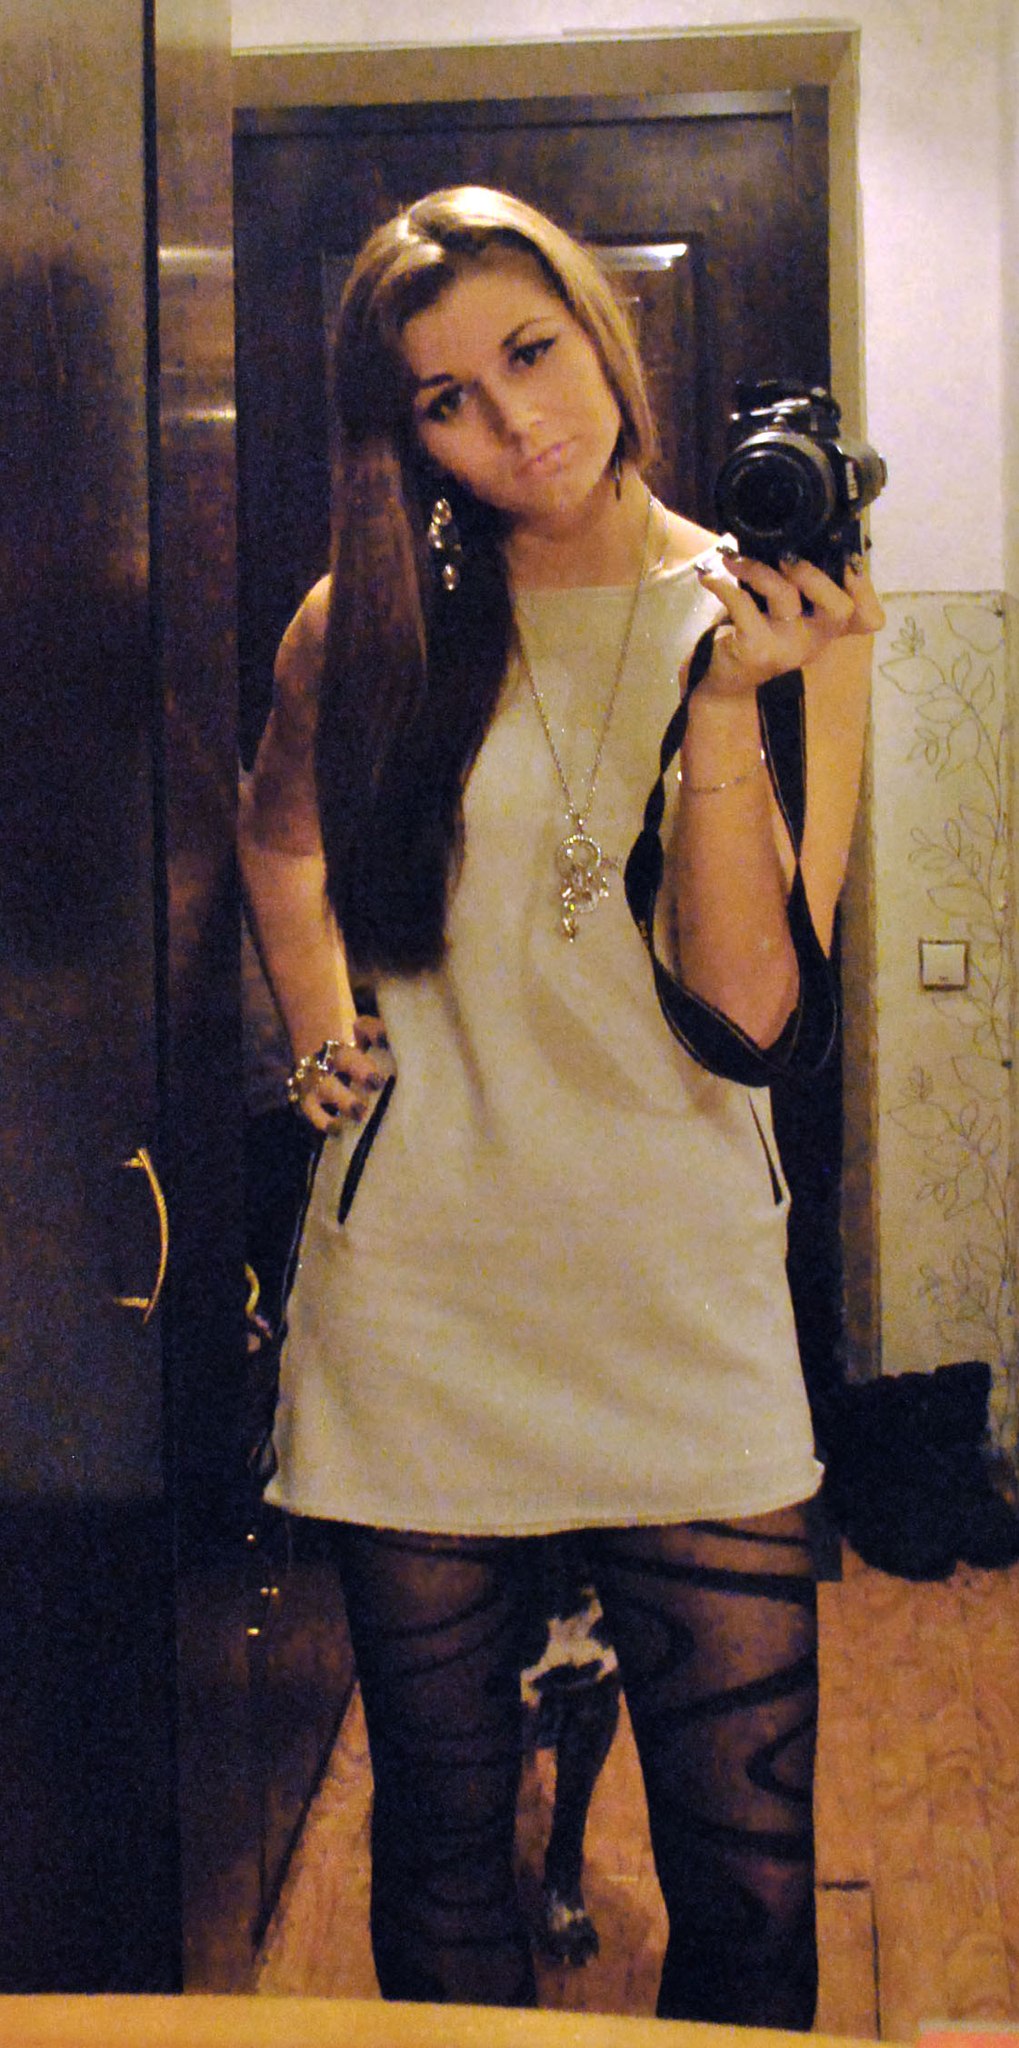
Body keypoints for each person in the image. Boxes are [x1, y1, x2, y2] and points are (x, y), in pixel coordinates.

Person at [238, 183, 884, 2025]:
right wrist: (321, 1034)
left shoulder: (786, 620)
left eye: (532, 351)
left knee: (750, 1887)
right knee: (442, 1857)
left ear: (601, 329)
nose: (515, 420)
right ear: (402, 435)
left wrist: (725, 707)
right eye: (445, 399)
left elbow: (749, 1013)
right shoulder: (364, 622)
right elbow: (277, 839)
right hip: (421, 1306)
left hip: (683, 1304)